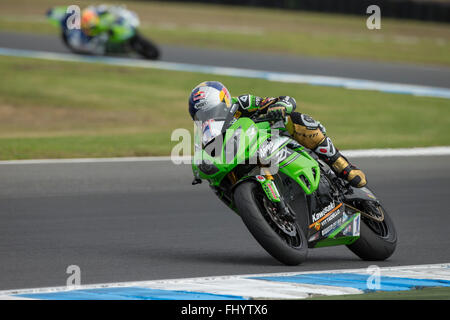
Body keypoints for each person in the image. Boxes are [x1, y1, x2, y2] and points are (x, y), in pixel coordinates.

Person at [188, 81, 366, 188]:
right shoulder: (205, 132)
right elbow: (201, 153)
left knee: (295, 120)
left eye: (213, 110)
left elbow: (283, 100)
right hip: (238, 156)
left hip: (268, 137)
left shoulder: (241, 103)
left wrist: (279, 106)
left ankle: (342, 165)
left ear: (224, 100)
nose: (208, 117)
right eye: (202, 115)